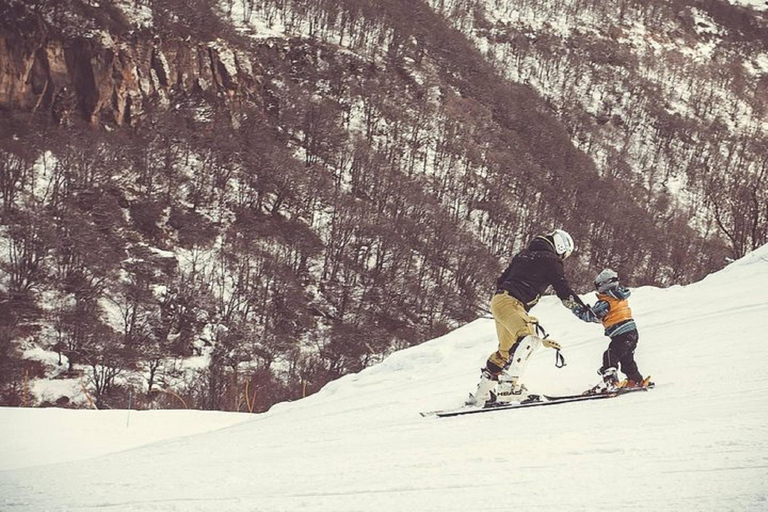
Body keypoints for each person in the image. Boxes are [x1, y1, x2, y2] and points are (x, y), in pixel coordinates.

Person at [467, 229, 585, 406]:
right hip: (512, 303)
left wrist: (519, 310)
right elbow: (563, 290)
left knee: (506, 351)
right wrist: (582, 311)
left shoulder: (523, 255)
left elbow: (501, 280)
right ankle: (508, 387)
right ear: (561, 247)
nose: (561, 258)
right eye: (563, 255)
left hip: (499, 301)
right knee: (529, 339)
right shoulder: (551, 260)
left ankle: (484, 393)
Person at [574, 268, 652, 393]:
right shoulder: (619, 297)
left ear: (603, 285)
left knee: (610, 355)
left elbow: (591, 316)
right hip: (632, 333)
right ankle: (635, 379)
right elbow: (605, 316)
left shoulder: (606, 301)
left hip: (622, 334)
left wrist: (578, 310)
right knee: (626, 358)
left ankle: (610, 382)